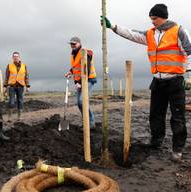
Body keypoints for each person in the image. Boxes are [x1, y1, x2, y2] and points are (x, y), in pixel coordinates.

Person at [101, 4, 191, 161]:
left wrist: (189, 75)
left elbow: (190, 52)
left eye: (155, 18)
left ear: (164, 17)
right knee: (155, 114)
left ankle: (177, 149)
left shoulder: (178, 31)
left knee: (177, 117)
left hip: (175, 81)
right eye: (151, 19)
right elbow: (132, 34)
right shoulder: (150, 34)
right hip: (158, 81)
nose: (152, 22)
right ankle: (156, 141)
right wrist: (113, 27)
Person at [65, 37, 97, 128]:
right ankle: (86, 122)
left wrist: (79, 82)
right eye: (71, 44)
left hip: (89, 79)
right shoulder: (73, 54)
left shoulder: (85, 52)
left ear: (79, 43)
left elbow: (86, 69)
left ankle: (90, 123)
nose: (72, 46)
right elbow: (76, 66)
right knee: (79, 103)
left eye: (74, 44)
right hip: (79, 81)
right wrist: (70, 72)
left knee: (82, 101)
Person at [4, 52, 30, 121]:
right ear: (12, 57)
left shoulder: (24, 66)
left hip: (21, 86)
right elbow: (7, 77)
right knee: (11, 101)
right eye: (14, 56)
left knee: (20, 101)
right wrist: (5, 86)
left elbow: (26, 76)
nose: (15, 57)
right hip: (12, 86)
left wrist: (27, 86)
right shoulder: (9, 65)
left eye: (17, 56)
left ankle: (19, 117)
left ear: (19, 57)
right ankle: (10, 117)